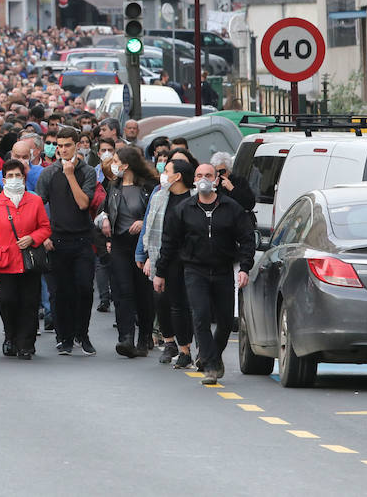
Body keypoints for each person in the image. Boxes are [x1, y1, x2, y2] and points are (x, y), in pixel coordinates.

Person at [154, 161, 255, 384]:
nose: (203, 179)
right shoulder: (184, 209)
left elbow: (247, 239)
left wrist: (245, 268)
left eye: (208, 175)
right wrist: (160, 273)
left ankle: (211, 355)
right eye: (199, 175)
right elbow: (169, 243)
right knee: (200, 316)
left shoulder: (231, 208)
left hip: (222, 270)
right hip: (194, 270)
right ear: (193, 180)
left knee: (226, 321)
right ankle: (210, 365)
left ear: (216, 180)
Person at [0, 159, 52, 360]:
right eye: (10, 176)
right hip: (5, 261)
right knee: (8, 300)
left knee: (29, 302)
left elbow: (45, 227)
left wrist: (33, 238)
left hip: (30, 260)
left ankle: (26, 343)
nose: (14, 179)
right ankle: (10, 336)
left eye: (17, 175)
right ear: (3, 180)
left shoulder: (34, 200)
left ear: (24, 178)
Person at [36, 127, 99, 356]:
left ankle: (82, 333)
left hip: (82, 240)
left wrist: (70, 174)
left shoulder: (88, 172)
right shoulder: (48, 173)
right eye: (58, 145)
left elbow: (84, 203)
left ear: (77, 146)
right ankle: (64, 337)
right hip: (56, 241)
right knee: (59, 292)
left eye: (67, 145)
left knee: (84, 288)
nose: (62, 150)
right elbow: (37, 207)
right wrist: (43, 237)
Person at [138, 159, 194, 367]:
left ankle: (184, 348)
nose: (163, 173)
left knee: (182, 304)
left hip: (189, 259)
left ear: (178, 176)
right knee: (161, 300)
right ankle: (169, 341)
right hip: (162, 256)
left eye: (167, 170)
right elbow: (149, 227)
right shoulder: (160, 196)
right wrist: (148, 256)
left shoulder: (194, 198)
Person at [98, 146, 153, 357]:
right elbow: (103, 210)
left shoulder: (148, 186)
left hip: (142, 245)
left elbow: (155, 213)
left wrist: (142, 222)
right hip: (119, 243)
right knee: (123, 291)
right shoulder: (114, 186)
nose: (113, 164)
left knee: (142, 292)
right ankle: (126, 337)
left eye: (116, 160)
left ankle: (145, 336)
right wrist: (103, 220)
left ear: (126, 164)